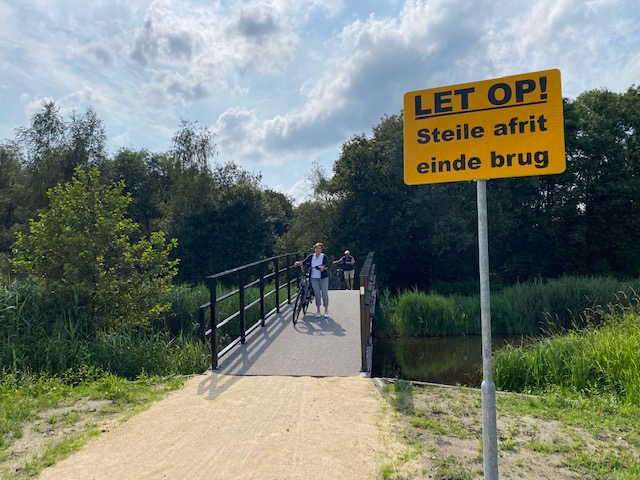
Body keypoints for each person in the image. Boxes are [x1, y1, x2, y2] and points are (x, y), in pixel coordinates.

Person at [294, 242, 330, 318]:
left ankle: (326, 309)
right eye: (317, 248)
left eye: (319, 248)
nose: (318, 250)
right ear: (314, 249)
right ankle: (318, 310)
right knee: (317, 294)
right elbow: (304, 262)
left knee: (324, 294)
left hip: (323, 277)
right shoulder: (311, 257)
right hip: (314, 277)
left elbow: (326, 265)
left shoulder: (324, 256)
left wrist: (323, 268)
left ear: (321, 249)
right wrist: (299, 263)